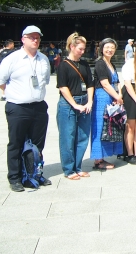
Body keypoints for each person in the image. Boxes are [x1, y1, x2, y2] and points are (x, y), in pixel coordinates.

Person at [0, 26, 51, 192]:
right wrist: (12, 93)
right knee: (16, 143)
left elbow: (45, 80)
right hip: (18, 107)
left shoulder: (43, 59)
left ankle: (34, 174)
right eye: (31, 37)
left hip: (39, 106)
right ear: (23, 39)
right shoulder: (12, 59)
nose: (35, 40)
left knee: (37, 144)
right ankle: (15, 177)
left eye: (38, 37)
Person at [57, 32, 94, 180]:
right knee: (68, 136)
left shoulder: (84, 64)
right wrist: (74, 104)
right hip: (68, 103)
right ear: (72, 47)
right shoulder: (63, 65)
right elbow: (62, 86)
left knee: (83, 136)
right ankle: (68, 169)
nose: (82, 52)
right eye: (80, 49)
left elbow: (90, 83)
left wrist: (89, 101)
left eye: (84, 49)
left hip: (84, 100)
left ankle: (78, 166)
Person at [91, 38, 123, 170]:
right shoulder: (100, 63)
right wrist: (117, 97)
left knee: (110, 127)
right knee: (101, 127)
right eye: (107, 47)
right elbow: (104, 83)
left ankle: (104, 156)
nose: (109, 50)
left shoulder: (112, 64)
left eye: (112, 47)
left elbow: (117, 82)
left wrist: (119, 95)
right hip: (102, 97)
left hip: (113, 96)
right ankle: (98, 160)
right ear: (101, 48)